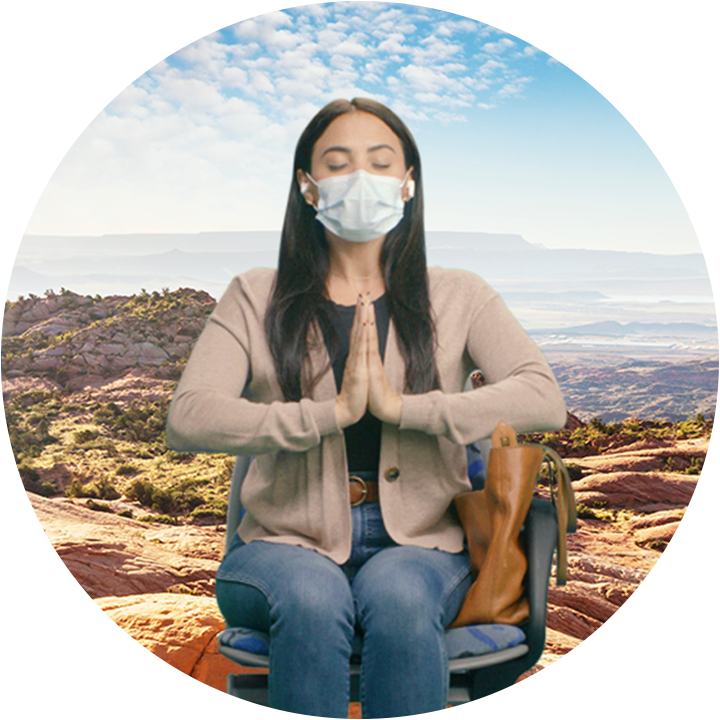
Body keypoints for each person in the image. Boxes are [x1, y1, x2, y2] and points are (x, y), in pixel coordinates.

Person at [166, 97, 566, 719]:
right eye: (338, 162)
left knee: (402, 597)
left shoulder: (459, 293)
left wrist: (405, 408)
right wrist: (328, 414)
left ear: (407, 184)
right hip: (281, 541)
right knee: (310, 595)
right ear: (307, 185)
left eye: (380, 163)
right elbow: (189, 417)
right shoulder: (254, 294)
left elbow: (544, 397)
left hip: (424, 542)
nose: (361, 178)